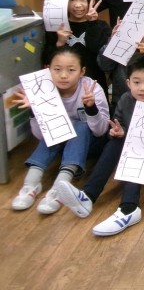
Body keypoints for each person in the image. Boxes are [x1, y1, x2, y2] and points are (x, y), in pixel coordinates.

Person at [55, 54, 144, 236]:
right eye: (137, 82)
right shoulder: (125, 100)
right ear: (128, 82)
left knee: (135, 145)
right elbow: (119, 124)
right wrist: (119, 131)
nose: (142, 88)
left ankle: (129, 206)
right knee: (117, 141)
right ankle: (88, 195)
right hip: (132, 155)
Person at [11, 47, 109, 214]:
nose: (63, 75)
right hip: (60, 143)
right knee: (59, 124)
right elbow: (39, 135)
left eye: (71, 70)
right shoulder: (41, 89)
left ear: (82, 71)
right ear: (47, 69)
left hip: (90, 143)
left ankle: (60, 186)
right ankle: (31, 184)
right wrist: (34, 110)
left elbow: (101, 131)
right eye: (57, 69)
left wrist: (91, 108)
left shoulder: (91, 89)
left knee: (80, 124)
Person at [41, 0, 111, 93]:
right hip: (64, 85)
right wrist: (60, 43)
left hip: (94, 84)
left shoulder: (101, 26)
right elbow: (47, 60)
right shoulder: (58, 26)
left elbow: (98, 51)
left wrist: (93, 23)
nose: (78, 5)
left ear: (92, 0)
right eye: (72, 0)